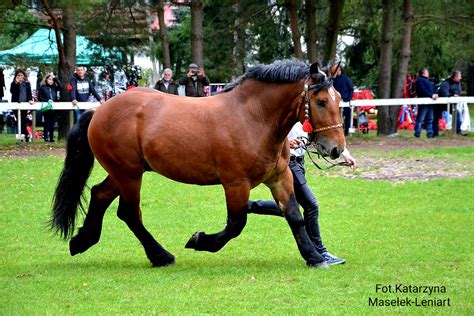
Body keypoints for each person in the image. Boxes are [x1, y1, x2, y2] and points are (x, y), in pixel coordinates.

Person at [248, 122, 356, 266]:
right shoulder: (286, 112)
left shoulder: (307, 114)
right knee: (311, 205)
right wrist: (287, 143)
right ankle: (320, 252)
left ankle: (248, 206)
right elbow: (267, 133)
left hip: (300, 162)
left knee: (292, 208)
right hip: (288, 164)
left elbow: (323, 132)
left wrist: (345, 154)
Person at [10, 69, 35, 141]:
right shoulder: (13, 83)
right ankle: (24, 137)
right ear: (16, 76)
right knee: (19, 121)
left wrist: (30, 99)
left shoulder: (27, 83)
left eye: (21, 75)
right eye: (18, 75)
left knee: (22, 121)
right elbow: (12, 92)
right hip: (16, 104)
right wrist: (16, 83)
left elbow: (29, 93)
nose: (20, 76)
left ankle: (24, 137)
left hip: (25, 105)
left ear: (24, 76)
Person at [414, 68, 438, 138]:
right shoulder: (420, 81)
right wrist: (431, 95)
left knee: (430, 118)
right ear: (423, 73)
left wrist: (434, 94)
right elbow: (422, 90)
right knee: (421, 119)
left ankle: (429, 134)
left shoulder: (428, 81)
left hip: (430, 102)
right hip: (424, 102)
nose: (428, 73)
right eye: (427, 72)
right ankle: (417, 133)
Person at [38, 73, 62, 142]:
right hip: (46, 107)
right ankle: (46, 137)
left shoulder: (54, 88)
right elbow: (40, 98)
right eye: (49, 79)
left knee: (52, 123)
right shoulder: (42, 88)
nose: (51, 81)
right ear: (46, 80)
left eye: (52, 80)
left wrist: (55, 78)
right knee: (46, 123)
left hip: (54, 108)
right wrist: (47, 101)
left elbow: (61, 87)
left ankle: (51, 138)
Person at [437, 71, 462, 135]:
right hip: (441, 104)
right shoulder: (445, 83)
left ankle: (457, 132)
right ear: (455, 77)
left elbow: (459, 92)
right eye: (459, 76)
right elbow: (444, 94)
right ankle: (434, 133)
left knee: (457, 115)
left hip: (451, 104)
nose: (460, 78)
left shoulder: (458, 83)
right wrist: (452, 95)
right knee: (436, 117)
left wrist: (455, 95)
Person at [331, 65, 354, 136]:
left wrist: (349, 99)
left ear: (341, 70)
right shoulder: (332, 80)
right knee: (335, 117)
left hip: (346, 101)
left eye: (339, 70)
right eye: (337, 70)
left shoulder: (346, 79)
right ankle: (336, 132)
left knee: (347, 117)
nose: (338, 71)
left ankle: (346, 131)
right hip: (335, 102)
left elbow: (351, 89)